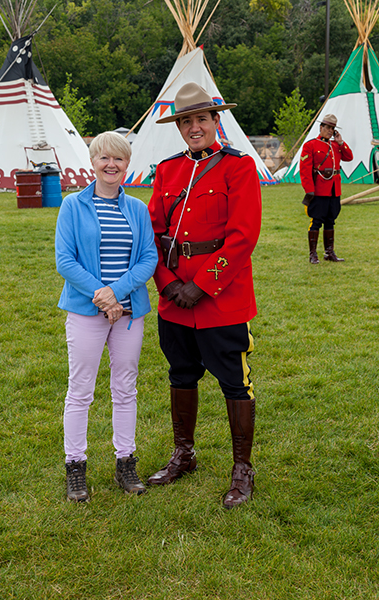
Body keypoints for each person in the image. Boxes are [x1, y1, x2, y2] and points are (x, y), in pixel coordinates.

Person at [147, 82, 262, 509]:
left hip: (221, 297)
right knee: (181, 374)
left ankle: (242, 469)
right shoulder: (168, 170)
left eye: (201, 119)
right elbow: (154, 235)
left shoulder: (239, 167)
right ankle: (184, 454)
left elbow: (243, 236)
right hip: (175, 298)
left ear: (216, 120)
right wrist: (167, 282)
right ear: (178, 127)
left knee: (234, 381)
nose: (194, 127)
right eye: (185, 121)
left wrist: (203, 284)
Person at [55, 131, 158, 502]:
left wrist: (118, 293)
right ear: (92, 162)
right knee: (80, 390)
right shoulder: (72, 205)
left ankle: (125, 461)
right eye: (104, 158)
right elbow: (65, 260)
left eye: (119, 159)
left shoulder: (138, 209)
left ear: (127, 165)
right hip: (87, 312)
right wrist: (103, 297)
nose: (111, 165)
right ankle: (75, 466)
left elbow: (149, 257)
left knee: (125, 388)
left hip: (129, 313)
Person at [300, 114, 353, 264]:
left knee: (331, 220)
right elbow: (304, 170)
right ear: (321, 127)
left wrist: (341, 142)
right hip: (319, 189)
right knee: (317, 221)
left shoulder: (336, 145)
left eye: (332, 128)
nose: (330, 131)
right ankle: (313, 254)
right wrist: (309, 189)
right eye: (328, 127)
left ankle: (329, 252)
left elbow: (349, 157)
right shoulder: (310, 145)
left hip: (334, 190)